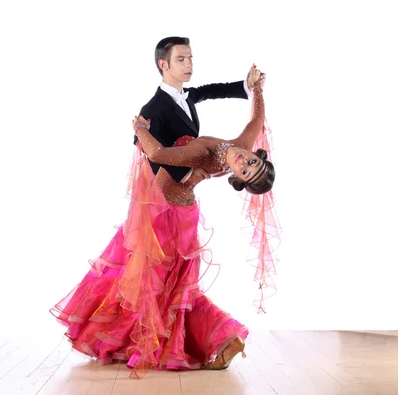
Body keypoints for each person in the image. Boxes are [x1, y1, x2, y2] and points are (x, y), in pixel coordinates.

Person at [49, 67, 277, 380]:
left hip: (166, 216)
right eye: (252, 162)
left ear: (236, 179)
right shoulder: (241, 144)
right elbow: (257, 121)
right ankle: (220, 341)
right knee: (163, 286)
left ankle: (224, 337)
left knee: (150, 282)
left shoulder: (204, 152)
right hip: (178, 214)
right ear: (255, 154)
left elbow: (157, 152)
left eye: (246, 171)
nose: (245, 163)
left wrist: (140, 129)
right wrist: (257, 89)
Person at [135, 36, 260, 188]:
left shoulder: (187, 96)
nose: (189, 64)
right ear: (163, 64)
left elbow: (210, 91)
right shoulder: (152, 109)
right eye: (181, 59)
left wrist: (248, 85)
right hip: (166, 192)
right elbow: (146, 150)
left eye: (190, 58)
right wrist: (184, 174)